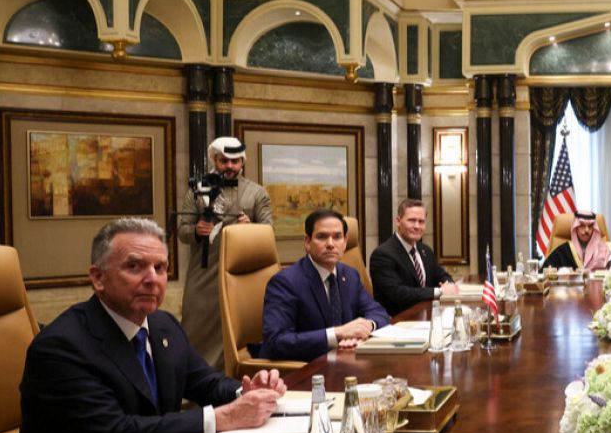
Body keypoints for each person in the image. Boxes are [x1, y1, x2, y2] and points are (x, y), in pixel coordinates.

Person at [2, 218, 284, 433]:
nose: (152, 279)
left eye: (160, 268)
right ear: (98, 278)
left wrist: (246, 391)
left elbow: (205, 382)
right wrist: (224, 417)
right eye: (134, 266)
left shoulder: (163, 325)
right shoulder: (62, 347)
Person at [178, 137, 272, 370]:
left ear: (242, 163)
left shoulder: (257, 193)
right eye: (224, 161)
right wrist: (196, 230)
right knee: (196, 326)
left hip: (243, 276)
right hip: (204, 274)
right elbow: (181, 231)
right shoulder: (197, 191)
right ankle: (196, 380)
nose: (229, 166)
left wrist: (251, 227)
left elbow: (268, 233)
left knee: (239, 329)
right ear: (214, 160)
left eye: (235, 161)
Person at [259, 209, 389, 361]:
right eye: (322, 237)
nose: (330, 244)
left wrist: (365, 327)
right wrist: (337, 334)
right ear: (307, 242)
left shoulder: (350, 275)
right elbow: (276, 341)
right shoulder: (286, 282)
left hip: (345, 360)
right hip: (306, 366)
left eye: (337, 237)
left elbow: (378, 312)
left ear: (345, 242)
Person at [369, 199, 458, 315]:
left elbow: (442, 275)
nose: (417, 226)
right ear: (398, 221)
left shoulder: (425, 251)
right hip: (398, 320)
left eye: (421, 221)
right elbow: (398, 294)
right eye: (412, 220)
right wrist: (439, 291)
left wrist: (449, 285)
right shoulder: (382, 255)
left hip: (427, 316)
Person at [543, 211, 611, 270]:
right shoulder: (562, 252)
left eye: (590, 226)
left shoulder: (604, 250)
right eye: (582, 226)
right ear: (575, 228)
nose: (587, 230)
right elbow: (544, 273)